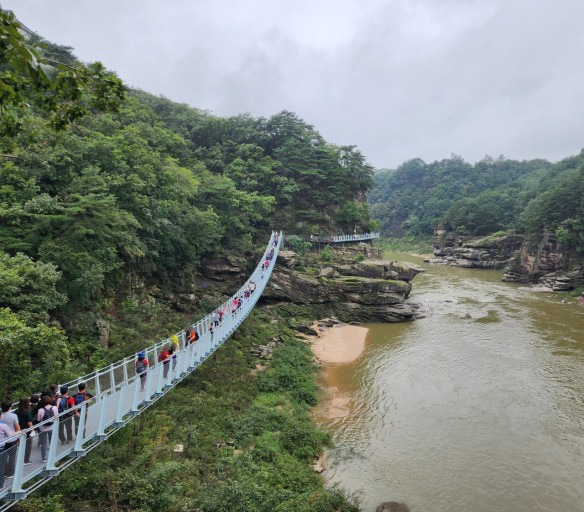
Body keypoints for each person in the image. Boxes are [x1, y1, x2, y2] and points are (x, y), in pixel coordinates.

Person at [0, 400, 20, 479]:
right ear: (9, 407)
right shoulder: (13, 416)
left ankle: (3, 472)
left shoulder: (1, 416)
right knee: (12, 456)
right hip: (12, 439)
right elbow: (17, 427)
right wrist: (18, 437)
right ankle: (10, 473)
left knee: (3, 458)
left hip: (3, 441)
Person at [36, 395, 57, 463]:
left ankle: (44, 458)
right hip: (52, 427)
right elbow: (56, 416)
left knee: (44, 443)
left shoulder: (40, 410)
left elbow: (38, 419)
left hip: (43, 429)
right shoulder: (54, 408)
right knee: (52, 441)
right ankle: (53, 455)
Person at [16, 398, 33, 465]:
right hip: (27, 431)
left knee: (21, 445)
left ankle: (20, 459)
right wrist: (32, 430)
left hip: (18, 430)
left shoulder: (16, 412)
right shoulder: (27, 412)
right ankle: (26, 460)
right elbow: (29, 423)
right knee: (28, 446)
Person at [0, 421, 15, 489]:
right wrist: (20, 432)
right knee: (1, 467)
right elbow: (11, 435)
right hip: (1, 448)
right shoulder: (3, 425)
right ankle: (0, 485)